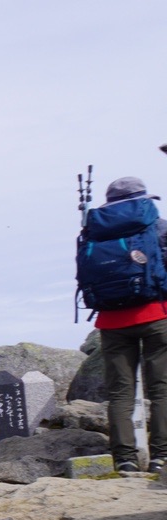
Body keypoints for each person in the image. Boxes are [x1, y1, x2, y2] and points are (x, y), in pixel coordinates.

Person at [89, 177, 167, 473]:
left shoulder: (95, 228)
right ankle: (161, 456)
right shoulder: (157, 225)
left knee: (120, 391)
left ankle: (124, 459)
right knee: (161, 388)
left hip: (111, 320)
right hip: (156, 314)